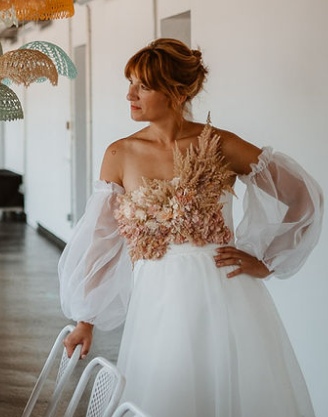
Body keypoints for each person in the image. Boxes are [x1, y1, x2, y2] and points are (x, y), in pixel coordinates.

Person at [57, 39, 322, 417]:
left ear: (177, 92)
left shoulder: (220, 145)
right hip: (157, 295)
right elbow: (101, 239)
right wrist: (85, 320)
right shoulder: (120, 154)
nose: (129, 94)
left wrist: (265, 261)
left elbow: (303, 197)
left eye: (143, 85)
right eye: (130, 82)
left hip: (226, 292)